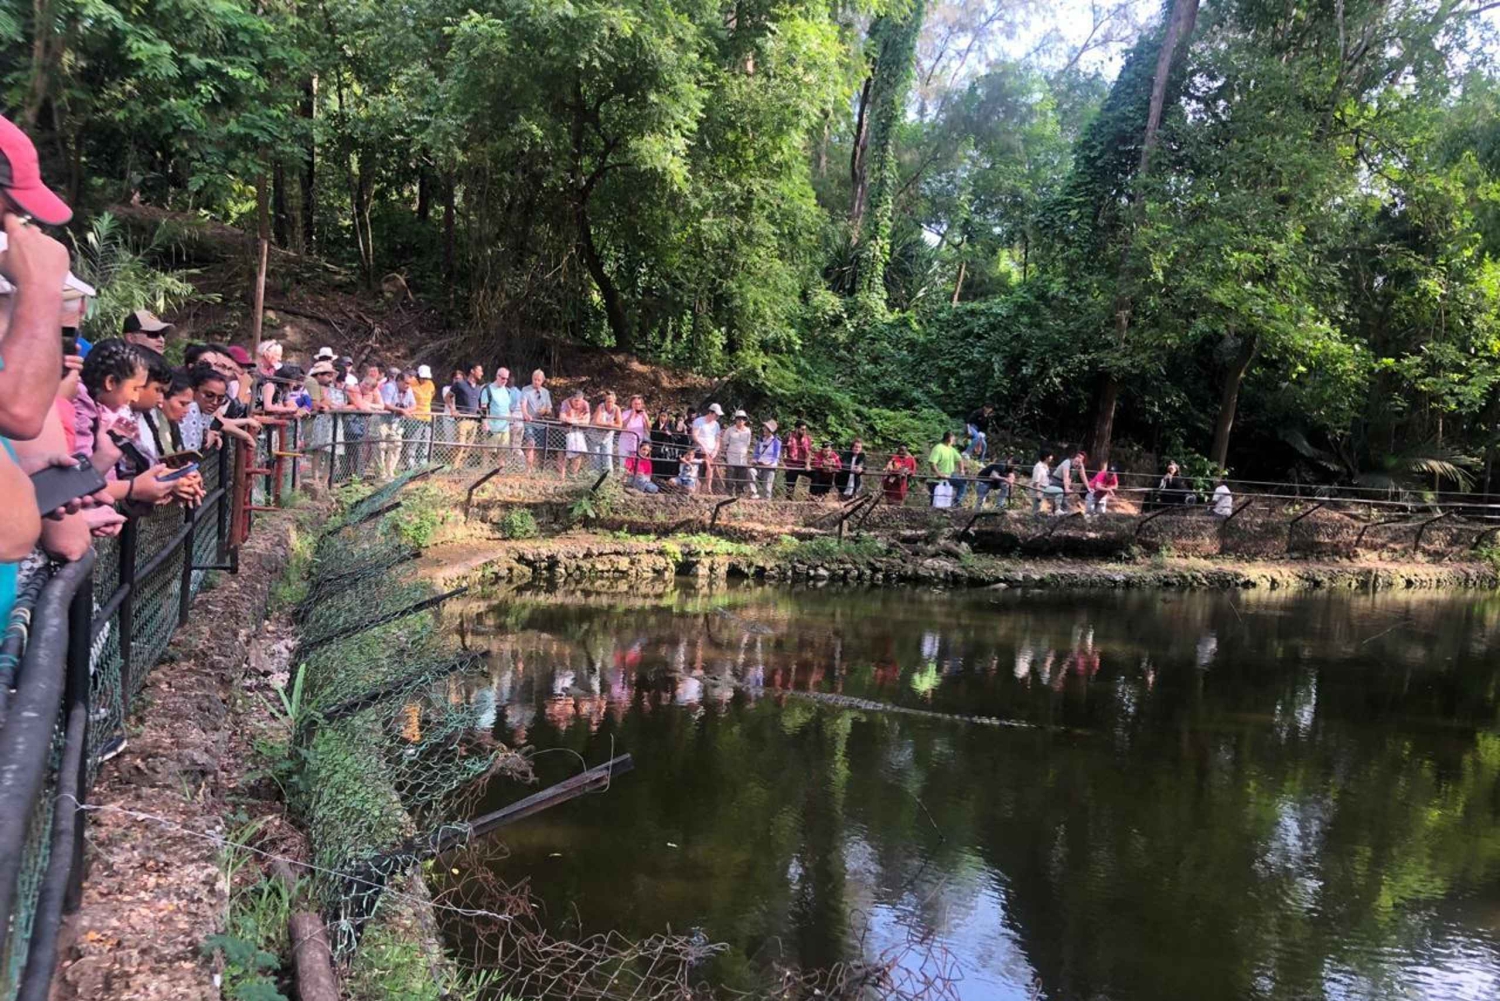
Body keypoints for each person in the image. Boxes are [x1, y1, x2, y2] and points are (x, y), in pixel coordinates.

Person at [480, 367, 520, 468]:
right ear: (497, 376)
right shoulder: (488, 389)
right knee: (488, 452)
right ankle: (483, 471)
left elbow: (508, 408)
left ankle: (500, 471)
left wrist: (511, 418)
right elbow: (483, 408)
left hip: (505, 428)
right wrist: (485, 423)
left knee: (502, 453)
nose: (505, 381)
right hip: (492, 428)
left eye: (506, 379)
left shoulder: (507, 391)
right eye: (502, 378)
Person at [379, 370, 416, 478]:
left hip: (396, 422)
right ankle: (380, 474)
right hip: (381, 421)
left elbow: (414, 405)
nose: (408, 386)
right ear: (399, 380)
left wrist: (406, 410)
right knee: (380, 447)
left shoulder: (409, 390)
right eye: (406, 383)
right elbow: (385, 405)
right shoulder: (389, 387)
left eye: (409, 384)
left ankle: (390, 472)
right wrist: (402, 410)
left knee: (396, 446)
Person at [448, 363, 484, 469]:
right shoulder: (460, 384)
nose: (482, 373)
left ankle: (460, 467)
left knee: (468, 447)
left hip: (474, 421)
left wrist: (482, 418)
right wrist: (453, 409)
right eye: (480, 370)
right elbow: (447, 397)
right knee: (460, 445)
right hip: (462, 420)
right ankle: (453, 467)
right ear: (472, 371)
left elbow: (479, 405)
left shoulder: (478, 388)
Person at [519, 369, 554, 473]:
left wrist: (545, 410)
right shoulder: (526, 390)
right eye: (534, 379)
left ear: (542, 381)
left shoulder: (545, 392)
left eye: (538, 380)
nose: (536, 382)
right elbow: (523, 404)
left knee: (539, 447)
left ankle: (537, 469)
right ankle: (528, 469)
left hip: (541, 423)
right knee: (531, 443)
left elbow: (550, 409)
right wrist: (525, 414)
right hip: (529, 422)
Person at [926, 431, 966, 506]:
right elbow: (932, 463)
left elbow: (959, 459)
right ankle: (933, 510)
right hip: (936, 478)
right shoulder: (938, 448)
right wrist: (939, 474)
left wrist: (962, 470)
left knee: (962, 484)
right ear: (949, 439)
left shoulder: (951, 449)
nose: (954, 441)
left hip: (949, 476)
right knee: (935, 500)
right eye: (953, 439)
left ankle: (956, 502)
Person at [692, 403, 724, 494]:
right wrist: (702, 445)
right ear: (711, 413)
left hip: (711, 450)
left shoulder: (716, 425)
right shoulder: (699, 421)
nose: (717, 417)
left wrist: (715, 450)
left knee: (710, 467)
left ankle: (708, 487)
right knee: (705, 466)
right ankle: (704, 487)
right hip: (700, 449)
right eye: (716, 415)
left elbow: (717, 439)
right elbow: (695, 436)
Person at [560, 389, 592, 477]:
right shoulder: (565, 403)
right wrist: (578, 419)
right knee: (562, 453)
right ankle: (561, 476)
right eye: (576, 400)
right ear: (572, 399)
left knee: (578, 453)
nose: (578, 403)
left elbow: (587, 421)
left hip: (578, 431)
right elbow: (562, 417)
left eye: (579, 400)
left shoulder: (585, 404)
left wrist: (574, 420)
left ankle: (574, 475)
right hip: (565, 431)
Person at [722, 410, 754, 496]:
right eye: (739, 418)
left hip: (743, 458)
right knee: (730, 478)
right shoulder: (730, 430)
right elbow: (725, 442)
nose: (741, 420)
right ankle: (729, 494)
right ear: (735, 419)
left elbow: (747, 443)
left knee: (741, 479)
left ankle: (739, 495)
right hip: (731, 458)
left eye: (743, 419)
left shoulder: (748, 431)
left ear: (745, 420)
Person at [593, 390, 623, 472]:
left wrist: (606, 425)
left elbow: (620, 425)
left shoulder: (616, 409)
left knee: (607, 458)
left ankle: (608, 478)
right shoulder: (601, 407)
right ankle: (595, 477)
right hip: (595, 436)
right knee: (596, 459)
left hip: (607, 437)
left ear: (614, 401)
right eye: (608, 401)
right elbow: (596, 422)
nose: (609, 403)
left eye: (611, 401)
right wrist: (610, 424)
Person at [782, 421, 813, 499]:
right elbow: (781, 450)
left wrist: (808, 464)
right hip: (791, 464)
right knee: (790, 485)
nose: (804, 431)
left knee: (816, 475)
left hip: (803, 464)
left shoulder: (807, 438)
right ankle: (788, 500)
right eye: (802, 429)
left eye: (805, 429)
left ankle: (812, 498)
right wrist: (783, 464)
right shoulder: (788, 437)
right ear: (796, 429)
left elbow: (809, 452)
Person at [619, 395, 650, 468]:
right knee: (624, 465)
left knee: (635, 466)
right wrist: (630, 416)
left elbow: (649, 429)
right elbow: (622, 427)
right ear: (631, 404)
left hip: (637, 445)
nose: (637, 406)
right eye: (635, 404)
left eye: (639, 404)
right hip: (625, 444)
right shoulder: (625, 413)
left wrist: (646, 418)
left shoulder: (642, 415)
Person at [753, 420, 781, 499]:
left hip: (769, 467)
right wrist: (755, 460)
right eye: (764, 428)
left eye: (766, 428)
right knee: (751, 472)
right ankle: (753, 493)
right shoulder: (760, 440)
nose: (764, 429)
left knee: (767, 485)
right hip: (759, 465)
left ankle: (766, 499)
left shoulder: (776, 442)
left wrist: (769, 463)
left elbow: (776, 456)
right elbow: (756, 453)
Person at [1030, 450, 1065, 515]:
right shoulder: (1038, 466)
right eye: (1050, 456)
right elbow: (1036, 481)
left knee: (1059, 491)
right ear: (1046, 457)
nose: (1052, 457)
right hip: (1039, 488)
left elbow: (1046, 477)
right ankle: (1057, 510)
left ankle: (1057, 509)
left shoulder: (1045, 465)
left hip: (1045, 487)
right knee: (1036, 507)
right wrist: (1038, 492)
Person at [1054, 450, 1087, 515]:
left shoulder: (1080, 465)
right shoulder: (1067, 462)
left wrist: (1088, 488)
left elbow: (1083, 476)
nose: (1079, 459)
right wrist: (1067, 488)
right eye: (1078, 457)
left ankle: (1065, 511)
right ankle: (1058, 510)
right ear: (1075, 457)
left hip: (1066, 483)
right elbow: (1065, 476)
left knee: (1068, 498)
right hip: (1057, 481)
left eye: (1081, 458)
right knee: (1062, 494)